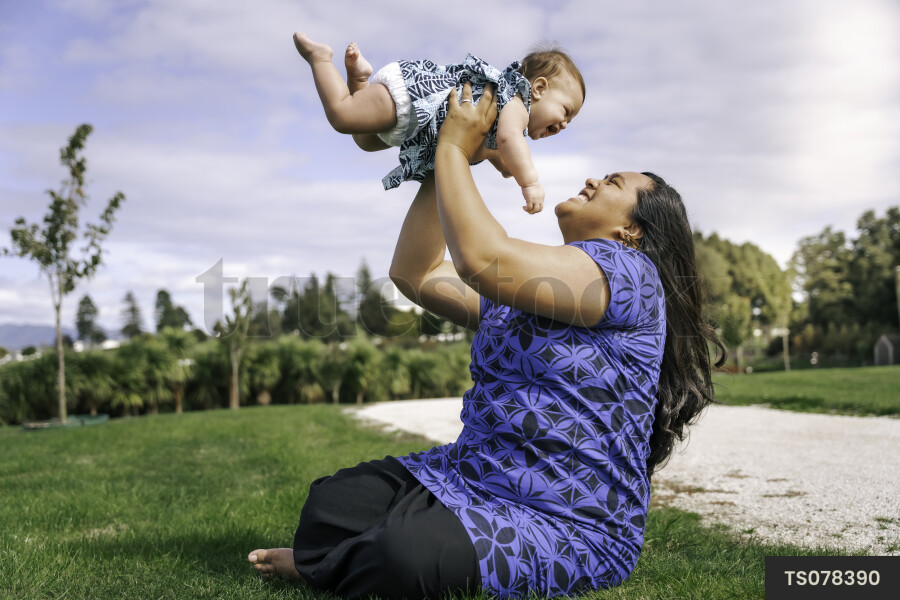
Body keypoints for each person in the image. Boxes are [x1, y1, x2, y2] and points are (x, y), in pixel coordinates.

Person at [249, 83, 725, 598]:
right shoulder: (538, 287)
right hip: (468, 478)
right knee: (332, 504)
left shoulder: (629, 274)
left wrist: (455, 146)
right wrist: (448, 156)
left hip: (565, 521)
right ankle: (358, 556)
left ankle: (354, 560)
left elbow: (481, 260)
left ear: (633, 230)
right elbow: (416, 272)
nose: (592, 179)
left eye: (611, 183)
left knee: (404, 558)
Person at [292, 32, 585, 213]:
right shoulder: (517, 103)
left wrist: (508, 167)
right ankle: (321, 58)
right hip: (413, 97)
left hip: (415, 124)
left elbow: (502, 152)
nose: (565, 125)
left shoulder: (506, 116)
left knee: (364, 140)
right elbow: (510, 141)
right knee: (344, 116)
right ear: (540, 88)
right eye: (566, 111)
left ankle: (359, 79)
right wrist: (530, 182)